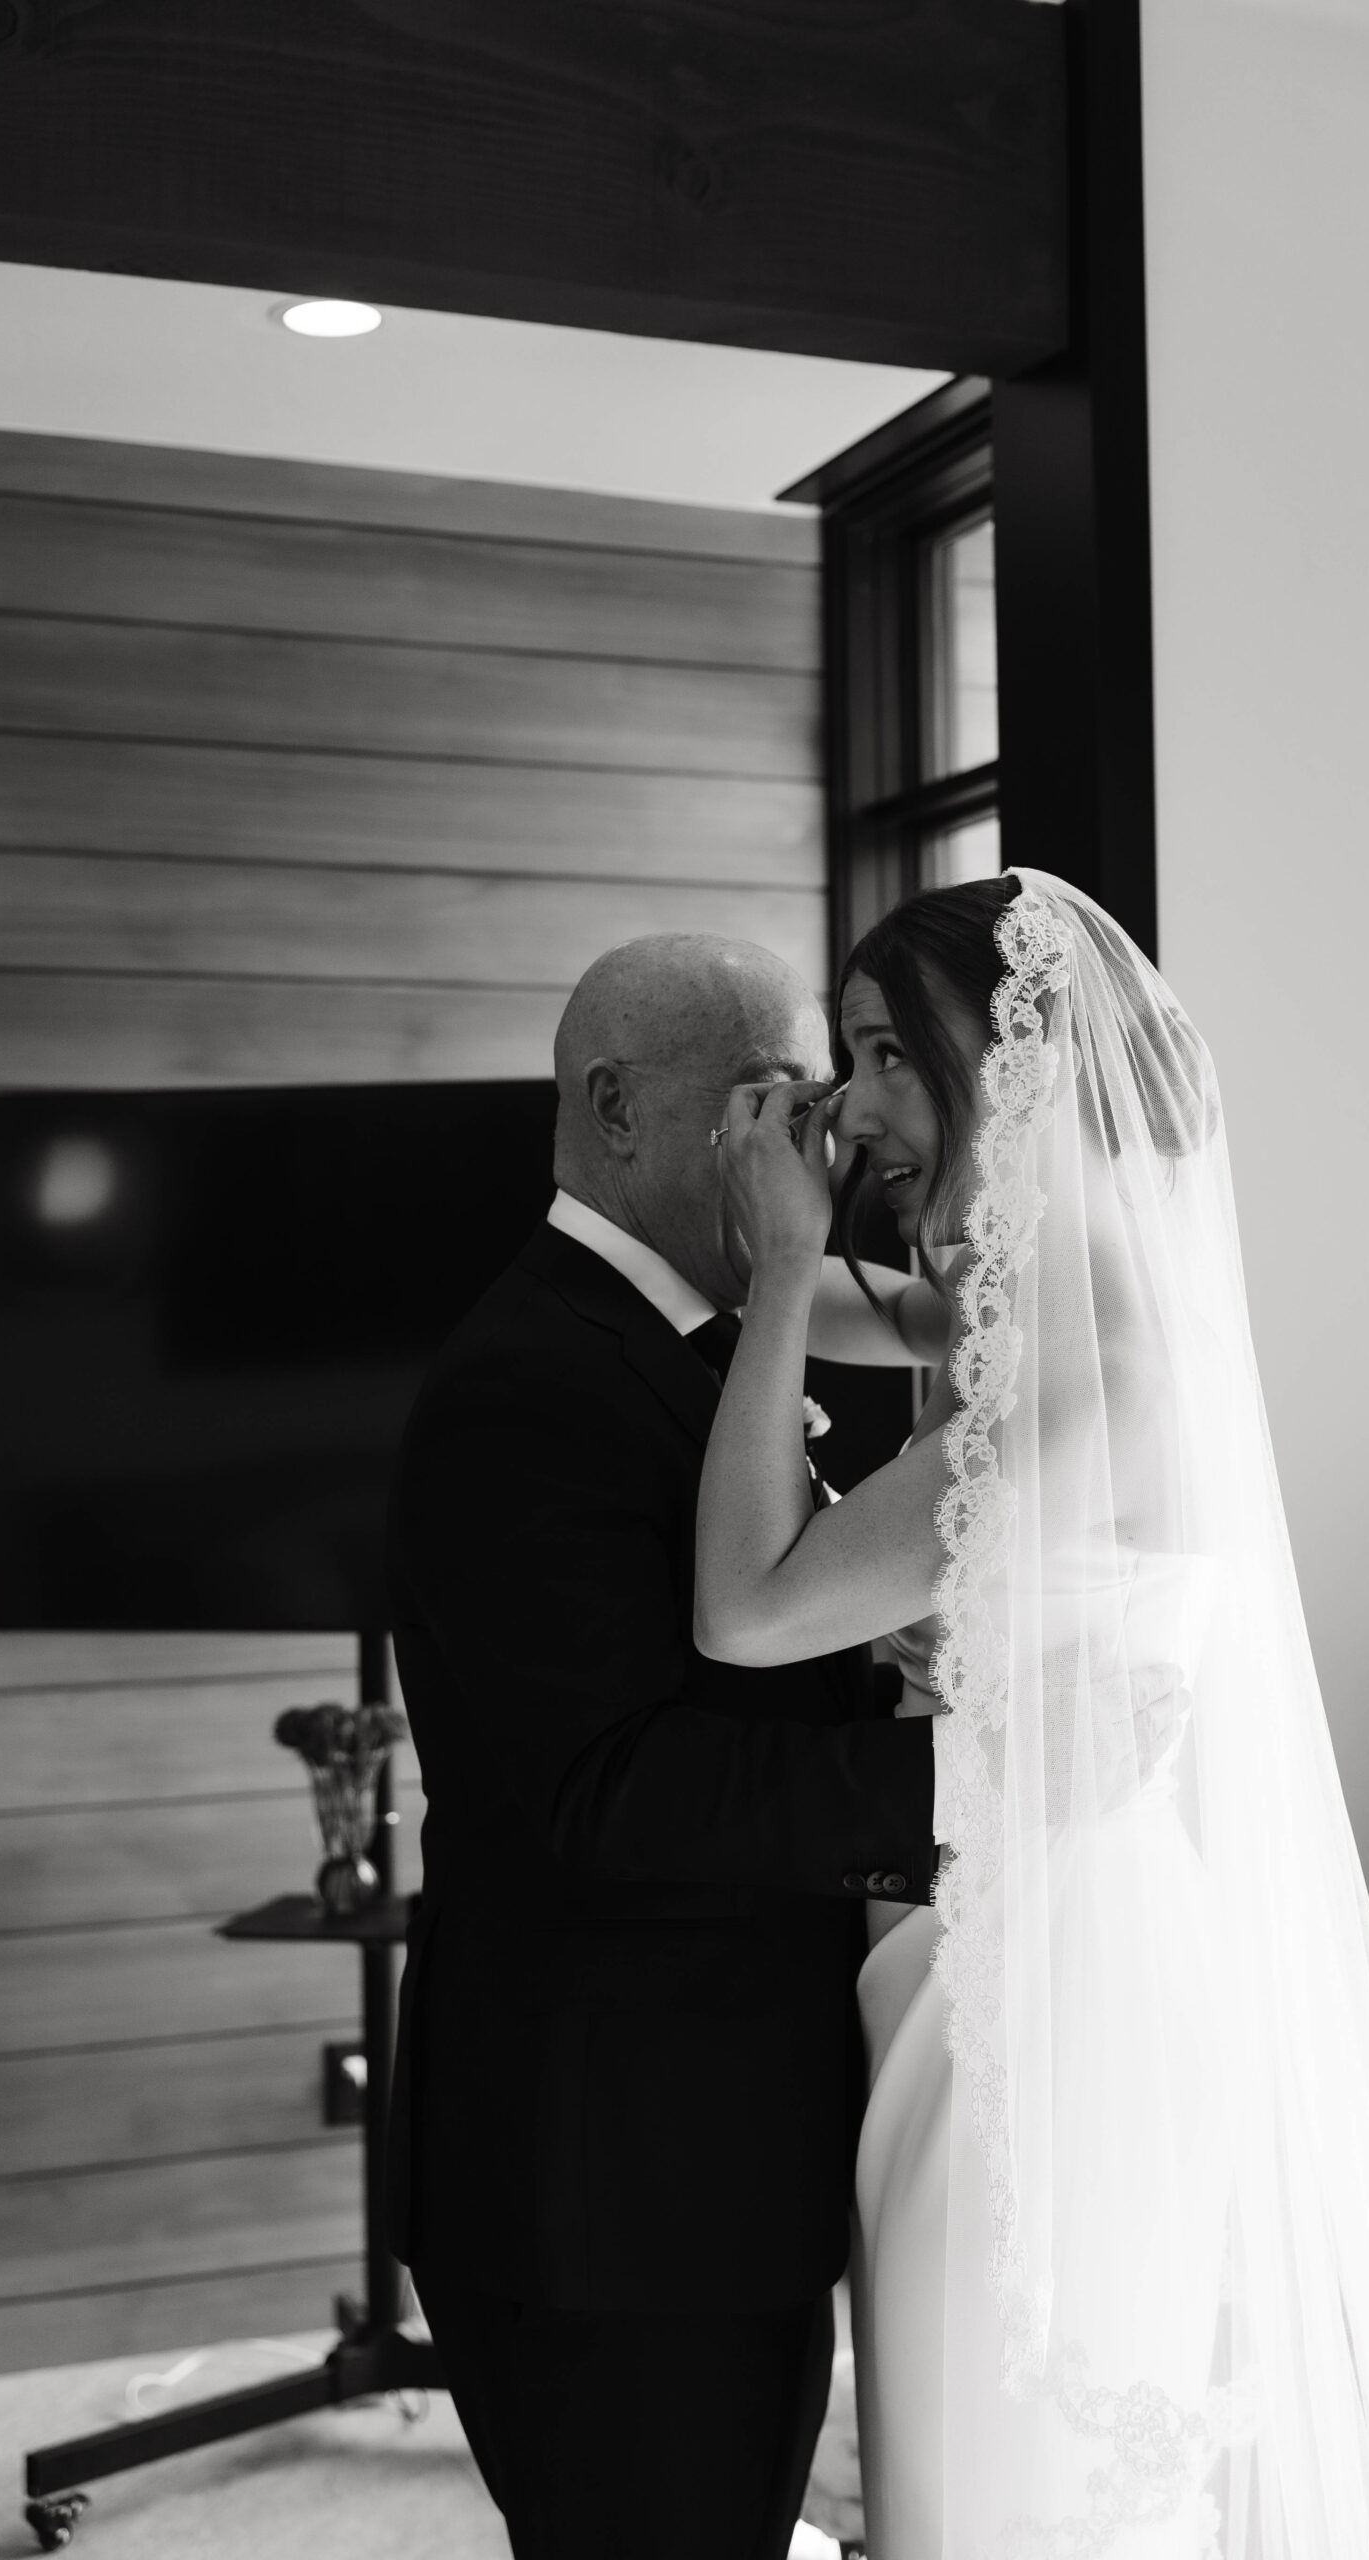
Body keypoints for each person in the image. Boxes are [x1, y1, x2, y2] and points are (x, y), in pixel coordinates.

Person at [695, 870, 1369, 2558]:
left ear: (1000, 1064)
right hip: (1012, 1939)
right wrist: (775, 1230)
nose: (852, 1104)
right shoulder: (1026, 1323)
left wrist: (785, 1271)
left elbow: (749, 1610)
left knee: (1013, 2475)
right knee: (968, 2457)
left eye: (881, 1057)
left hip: (1059, 1986)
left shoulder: (1091, 1370)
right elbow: (876, 1311)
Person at [383, 932, 942, 2560]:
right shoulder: (530, 1383)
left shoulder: (691, 1340)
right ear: (620, 1110)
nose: (811, 1151)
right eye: (768, 1102)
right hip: (604, 2191)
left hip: (707, 2159)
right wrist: (966, 1790)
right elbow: (605, 1791)